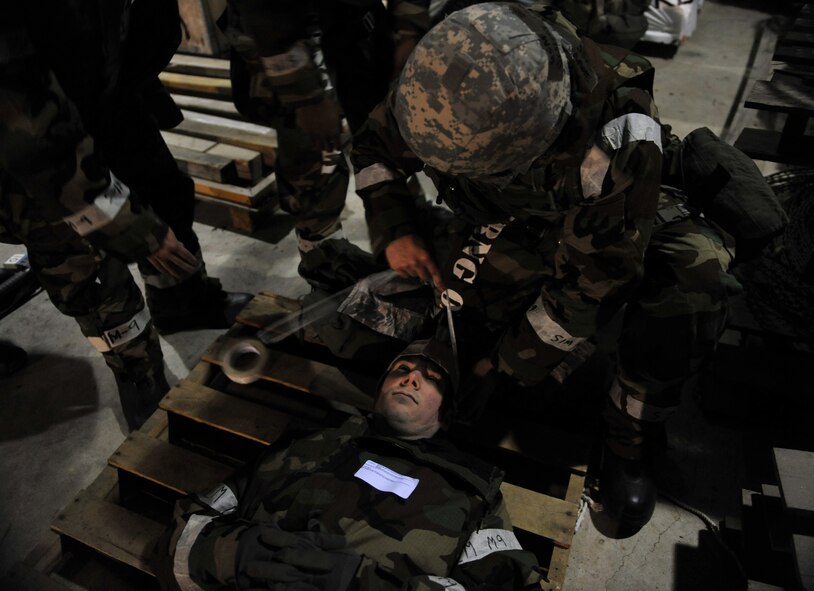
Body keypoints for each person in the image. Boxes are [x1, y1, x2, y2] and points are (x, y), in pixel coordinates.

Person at [350, 2, 737, 535]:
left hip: (615, 212)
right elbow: (373, 148)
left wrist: (504, 366)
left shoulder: (616, 141)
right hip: (508, 204)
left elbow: (593, 284)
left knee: (692, 283)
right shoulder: (449, 71)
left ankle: (630, 435)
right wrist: (396, 228)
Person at [0, 2, 250, 430]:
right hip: (28, 147)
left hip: (105, 99)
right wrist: (120, 221)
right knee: (84, 264)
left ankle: (181, 303)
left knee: (165, 196)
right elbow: (32, 133)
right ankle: (140, 376)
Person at [154, 338, 544, 590]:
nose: (411, 380)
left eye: (431, 379)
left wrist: (355, 582)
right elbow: (182, 537)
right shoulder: (307, 443)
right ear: (378, 393)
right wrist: (250, 557)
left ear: (446, 413)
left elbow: (506, 583)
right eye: (402, 370)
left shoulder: (472, 488)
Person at [219, 0, 434, 287]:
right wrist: (306, 97)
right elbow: (266, 14)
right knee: (319, 149)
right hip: (286, 39)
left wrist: (409, 30)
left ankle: (404, 226)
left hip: (354, 19)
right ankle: (324, 257)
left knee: (384, 125)